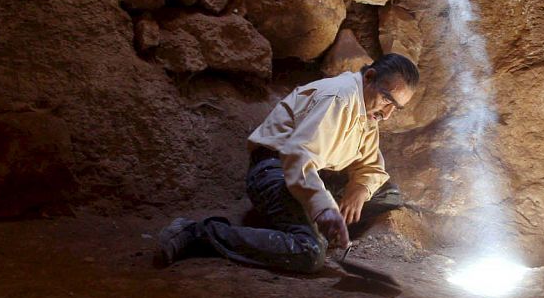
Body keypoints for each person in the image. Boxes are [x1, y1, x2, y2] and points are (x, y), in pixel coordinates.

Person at [155, 53, 419, 273]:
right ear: (370, 78)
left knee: (388, 194)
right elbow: (298, 158)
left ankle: (307, 224)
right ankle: (199, 233)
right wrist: (324, 210)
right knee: (309, 252)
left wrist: (360, 188)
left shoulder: (368, 110)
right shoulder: (339, 98)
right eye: (387, 100)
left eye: (396, 107)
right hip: (275, 171)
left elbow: (371, 166)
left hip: (311, 173)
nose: (387, 114)